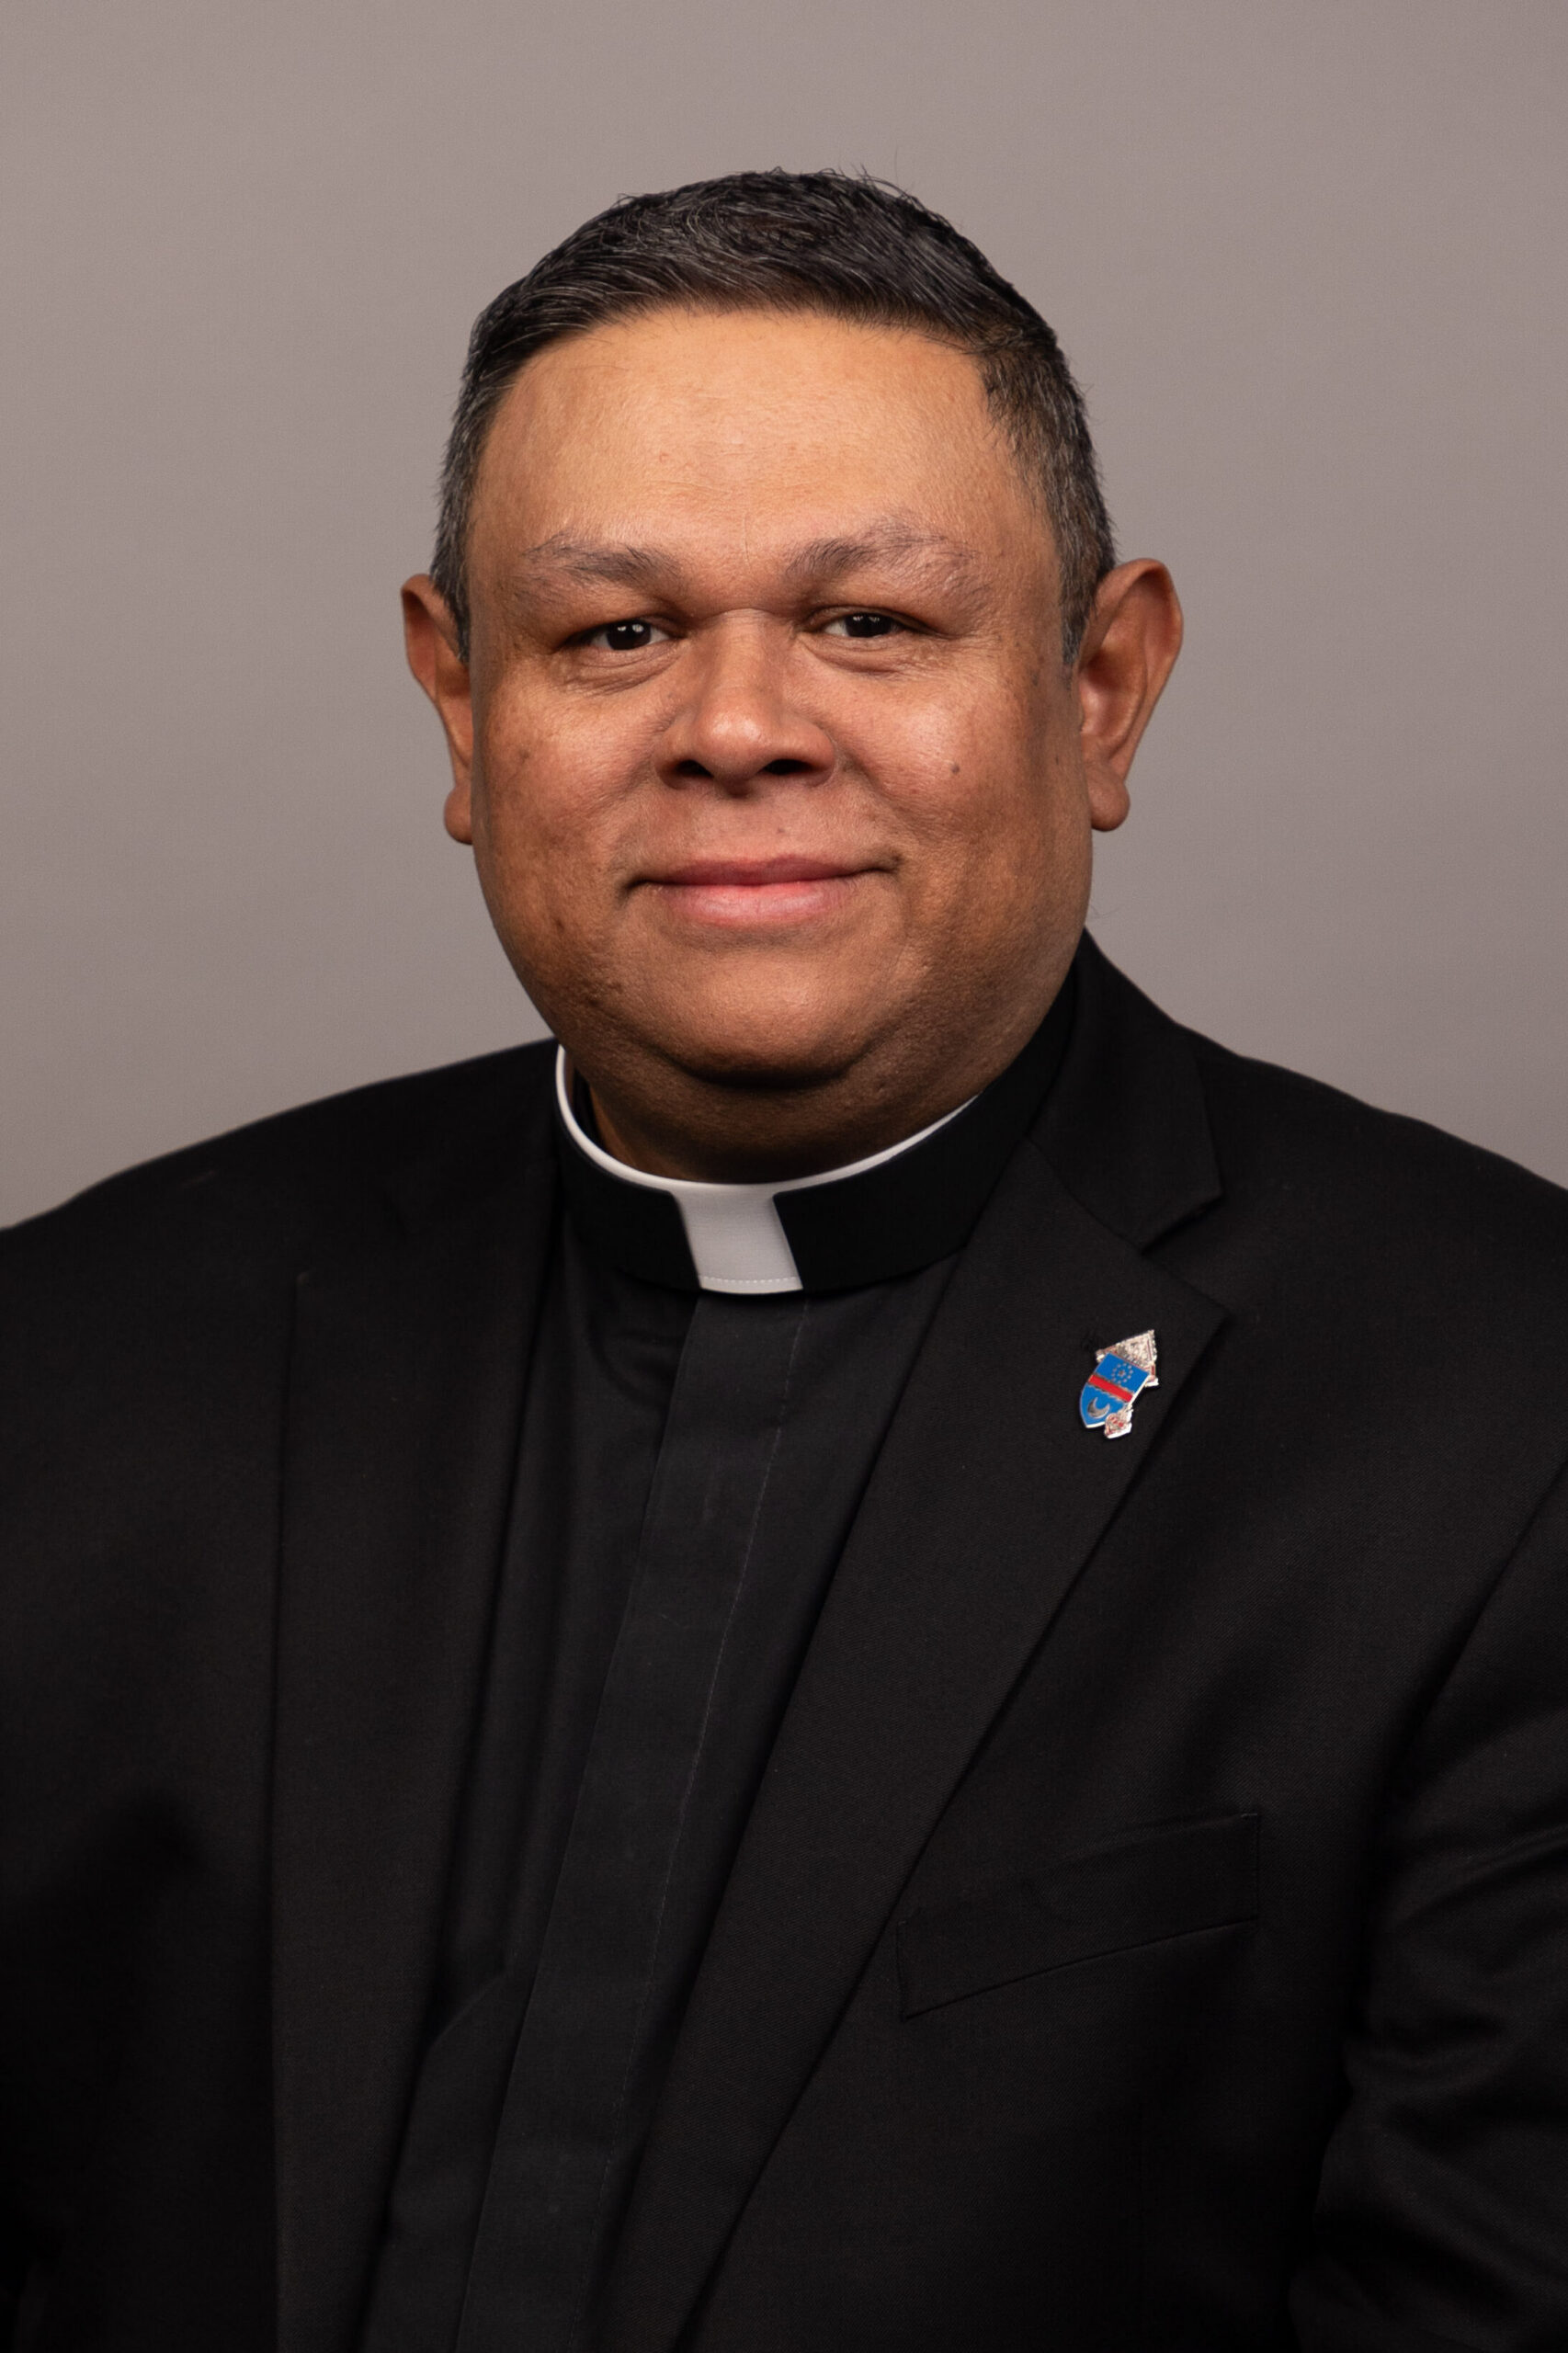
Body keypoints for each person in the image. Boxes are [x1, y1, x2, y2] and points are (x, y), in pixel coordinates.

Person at [2, 169, 1566, 2353]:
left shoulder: (1501, 1417)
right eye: (615, 634)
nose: (737, 724)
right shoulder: (70, 1357)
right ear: (459, 703)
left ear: (1100, 687)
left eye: (871, 622)